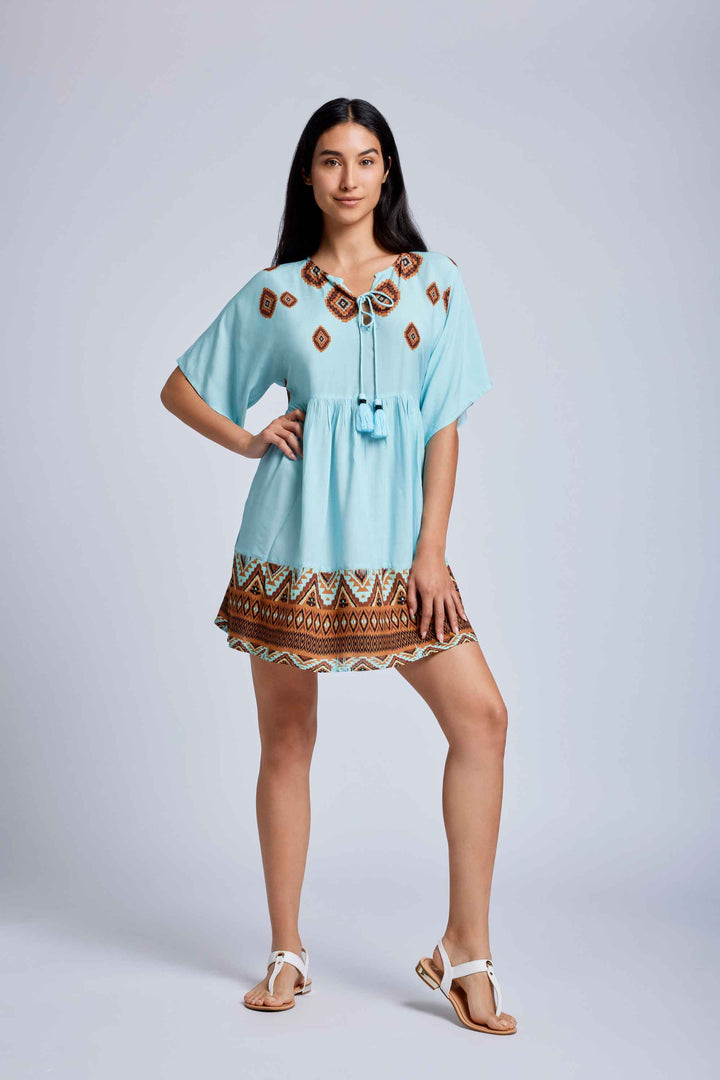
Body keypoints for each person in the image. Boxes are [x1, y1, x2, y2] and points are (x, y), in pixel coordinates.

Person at [160, 97, 516, 1035]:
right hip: (292, 547)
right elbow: (181, 387)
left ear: (387, 170)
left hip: (401, 555)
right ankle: (286, 951)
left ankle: (465, 951)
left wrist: (430, 554)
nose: (348, 177)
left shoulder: (435, 283)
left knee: (482, 720)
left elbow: (443, 425)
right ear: (308, 175)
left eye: (364, 158)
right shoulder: (277, 293)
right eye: (330, 159)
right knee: (287, 740)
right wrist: (248, 439)